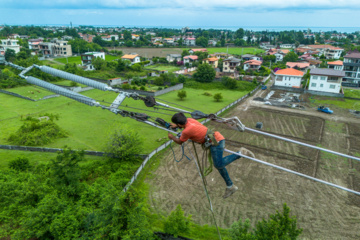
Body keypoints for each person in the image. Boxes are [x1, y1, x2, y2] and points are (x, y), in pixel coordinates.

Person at [167, 112, 254, 198]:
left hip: (215, 142)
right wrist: (177, 126)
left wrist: (172, 137)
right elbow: (186, 127)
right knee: (220, 166)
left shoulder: (186, 131)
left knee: (218, 164)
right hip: (214, 138)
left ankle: (240, 153)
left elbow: (179, 142)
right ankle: (230, 186)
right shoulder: (190, 120)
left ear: (179, 123)